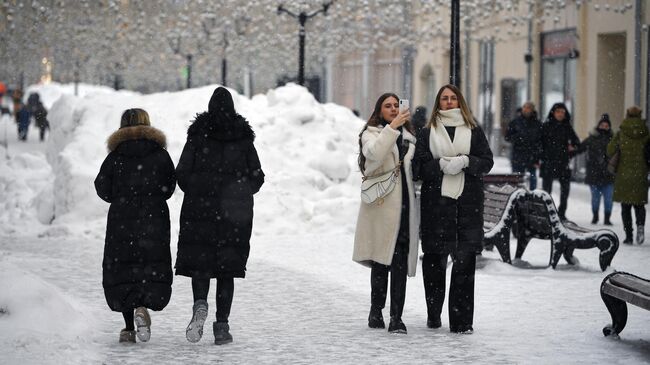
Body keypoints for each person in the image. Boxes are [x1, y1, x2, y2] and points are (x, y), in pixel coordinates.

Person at [175, 87, 264, 345]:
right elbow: (257, 176)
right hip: (233, 217)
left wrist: (197, 188)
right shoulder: (243, 139)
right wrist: (239, 191)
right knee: (227, 270)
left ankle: (200, 303)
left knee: (200, 265)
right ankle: (222, 326)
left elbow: (182, 172)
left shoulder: (197, 136)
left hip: (198, 212)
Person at [412, 84, 493, 334]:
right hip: (436, 208)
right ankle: (434, 314)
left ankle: (461, 323)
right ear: (439, 102)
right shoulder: (427, 133)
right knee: (434, 265)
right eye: (444, 98)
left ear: (460, 102)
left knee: (464, 267)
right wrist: (441, 165)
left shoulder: (473, 131)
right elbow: (418, 169)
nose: (449, 102)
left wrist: (466, 161)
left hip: (467, 208)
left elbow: (487, 162)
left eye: (453, 98)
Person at [94, 108, 176, 343]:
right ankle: (143, 306)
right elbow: (169, 186)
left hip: (122, 220)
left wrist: (120, 197)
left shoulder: (116, 156)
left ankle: (129, 327)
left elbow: (102, 187)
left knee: (124, 269)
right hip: (154, 219)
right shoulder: (160, 155)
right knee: (148, 265)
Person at [353, 92, 419, 334]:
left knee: (399, 262)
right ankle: (375, 310)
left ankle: (397, 317)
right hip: (381, 207)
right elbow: (375, 154)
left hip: (404, 208)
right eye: (387, 106)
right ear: (379, 111)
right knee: (381, 261)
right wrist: (392, 128)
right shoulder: (370, 134)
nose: (393, 109)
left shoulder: (411, 138)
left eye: (396, 106)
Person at [608, 106, 649, 244]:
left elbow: (610, 150)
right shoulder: (646, 132)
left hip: (623, 175)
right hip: (641, 173)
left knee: (626, 207)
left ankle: (629, 236)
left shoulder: (621, 132)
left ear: (627, 115)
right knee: (639, 204)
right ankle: (641, 227)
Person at [540, 102, 581, 221]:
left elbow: (577, 143)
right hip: (548, 162)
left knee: (565, 190)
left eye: (563, 112)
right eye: (558, 112)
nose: (560, 114)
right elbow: (539, 144)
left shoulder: (567, 127)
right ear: (553, 112)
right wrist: (541, 157)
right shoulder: (546, 126)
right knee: (547, 190)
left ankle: (562, 212)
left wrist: (571, 151)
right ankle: (546, 212)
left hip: (563, 162)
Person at [575, 113, 615, 225]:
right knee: (595, 199)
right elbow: (580, 148)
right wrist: (570, 150)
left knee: (608, 199)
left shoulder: (613, 139)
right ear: (599, 125)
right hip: (594, 173)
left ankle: (607, 218)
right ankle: (595, 216)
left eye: (606, 125)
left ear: (609, 127)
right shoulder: (591, 139)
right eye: (602, 125)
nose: (604, 127)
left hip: (608, 174)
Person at [504, 101, 542, 190]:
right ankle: (518, 199)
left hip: (532, 157)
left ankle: (532, 199)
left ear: (533, 110)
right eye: (525, 107)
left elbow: (540, 141)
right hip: (518, 156)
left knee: (532, 181)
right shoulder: (515, 122)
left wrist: (538, 157)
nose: (526, 109)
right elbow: (507, 137)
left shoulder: (538, 124)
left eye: (529, 108)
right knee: (517, 181)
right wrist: (518, 137)